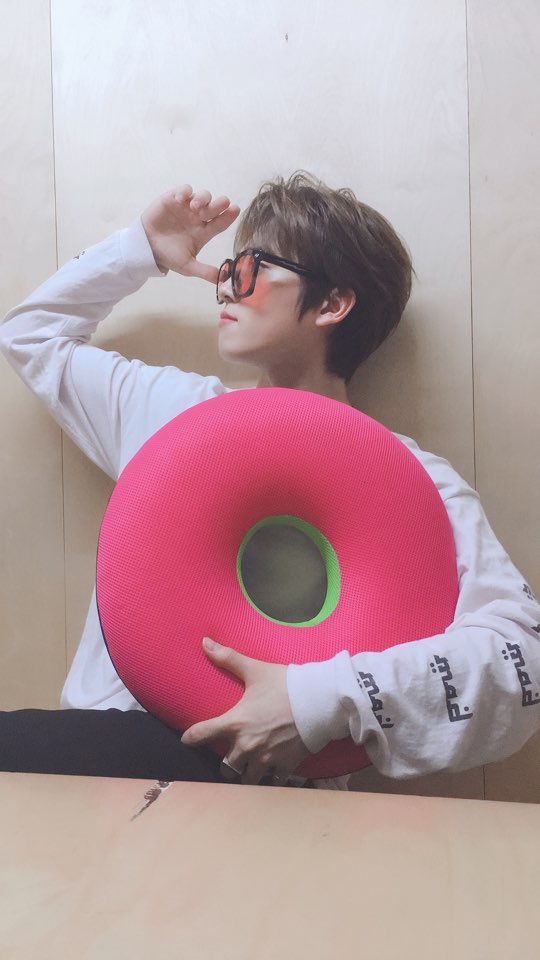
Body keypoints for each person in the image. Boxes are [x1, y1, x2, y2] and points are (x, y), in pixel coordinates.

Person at [1, 173, 540, 789]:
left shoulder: (410, 483)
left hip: (270, 787)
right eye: (230, 268)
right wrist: (141, 250)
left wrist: (318, 700)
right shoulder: (173, 414)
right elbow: (30, 336)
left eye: (252, 268)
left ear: (332, 305)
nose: (225, 284)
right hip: (99, 758)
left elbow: (521, 658)